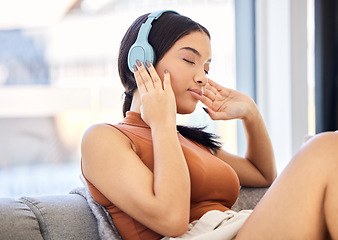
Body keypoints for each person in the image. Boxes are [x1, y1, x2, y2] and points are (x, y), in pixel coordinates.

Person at [81, 10, 338, 240]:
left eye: (206, 68)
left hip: (237, 226)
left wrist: (251, 113)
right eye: (190, 61)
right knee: (327, 148)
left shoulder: (187, 139)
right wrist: (163, 125)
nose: (202, 77)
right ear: (142, 60)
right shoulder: (104, 138)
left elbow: (262, 175)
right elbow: (172, 220)